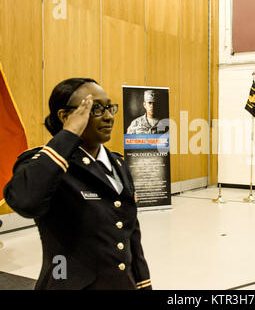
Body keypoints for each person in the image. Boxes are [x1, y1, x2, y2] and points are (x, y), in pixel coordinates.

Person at [3, 78, 152, 290]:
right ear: (65, 116)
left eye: (110, 108)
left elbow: (131, 236)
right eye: (96, 109)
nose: (109, 116)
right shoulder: (47, 163)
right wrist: (68, 135)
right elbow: (25, 202)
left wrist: (143, 284)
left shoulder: (118, 164)